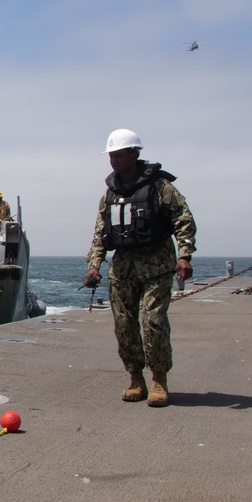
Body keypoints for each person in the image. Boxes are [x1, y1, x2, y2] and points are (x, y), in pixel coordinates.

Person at [83, 129, 196, 408]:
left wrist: (184, 256)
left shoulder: (160, 187)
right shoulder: (110, 192)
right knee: (124, 326)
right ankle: (135, 378)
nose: (114, 161)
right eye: (111, 156)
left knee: (153, 322)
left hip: (156, 266)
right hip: (122, 269)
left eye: (119, 155)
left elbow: (183, 219)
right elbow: (100, 232)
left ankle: (159, 378)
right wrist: (94, 265)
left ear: (134, 154)